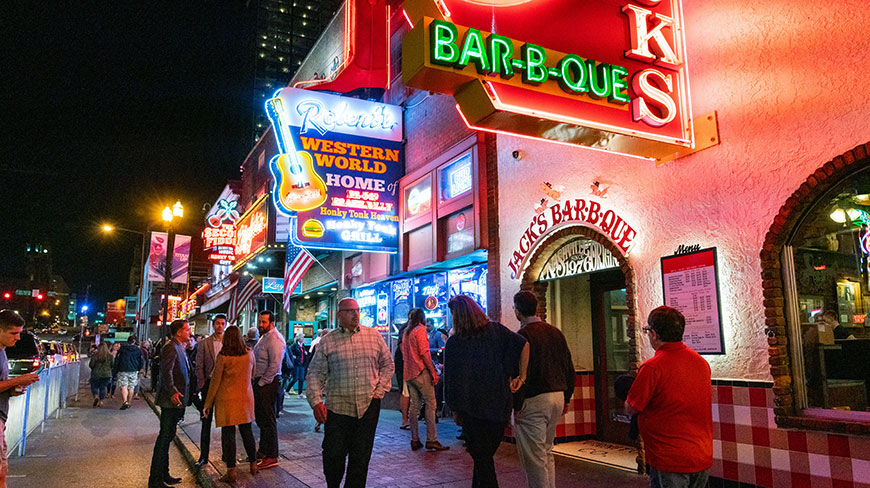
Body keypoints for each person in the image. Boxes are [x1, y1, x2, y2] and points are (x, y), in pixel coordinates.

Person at [306, 298, 394, 488]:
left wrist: (379, 391)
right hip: (338, 409)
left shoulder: (373, 336)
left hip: (367, 407)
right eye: (350, 310)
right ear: (339, 315)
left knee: (360, 460)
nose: (355, 314)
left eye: (357, 310)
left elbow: (388, 364)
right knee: (333, 456)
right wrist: (316, 402)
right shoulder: (329, 341)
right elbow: (314, 373)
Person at [444, 295, 528, 488]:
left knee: (482, 459)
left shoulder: (455, 342)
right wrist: (521, 377)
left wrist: (454, 410)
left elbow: (452, 380)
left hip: (472, 410)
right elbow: (523, 344)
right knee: (483, 456)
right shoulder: (497, 331)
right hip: (499, 407)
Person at [625, 306, 713, 488]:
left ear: (654, 334)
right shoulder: (701, 363)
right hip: (701, 453)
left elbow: (632, 407)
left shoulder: (652, 367)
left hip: (669, 457)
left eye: (647, 330)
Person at [511, 290, 575, 488]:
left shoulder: (522, 336)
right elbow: (568, 367)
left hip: (533, 401)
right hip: (557, 396)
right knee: (547, 451)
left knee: (534, 459)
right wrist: (566, 397)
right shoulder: (555, 332)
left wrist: (517, 404)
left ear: (518, 312)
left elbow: (518, 374)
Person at [202, 326, 258, 483]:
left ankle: (231, 471)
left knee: (228, 434)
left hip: (227, 399)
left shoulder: (223, 356)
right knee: (247, 431)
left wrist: (207, 403)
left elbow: (215, 381)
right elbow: (253, 373)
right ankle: (253, 464)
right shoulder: (249, 353)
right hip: (245, 397)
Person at [148, 319, 192, 488]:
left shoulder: (180, 347)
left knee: (168, 436)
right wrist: (173, 390)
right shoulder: (170, 347)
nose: (189, 332)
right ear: (179, 332)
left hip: (178, 400)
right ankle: (155, 480)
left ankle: (164, 474)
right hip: (170, 401)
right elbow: (166, 372)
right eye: (187, 330)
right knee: (164, 438)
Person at [0, 311, 40, 488]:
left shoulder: (2, 352)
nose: (17, 338)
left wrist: (11, 390)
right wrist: (18, 380)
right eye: (13, 333)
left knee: (2, 471)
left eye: (19, 333)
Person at [402, 308, 449, 451]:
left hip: (409, 374)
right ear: (422, 318)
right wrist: (433, 371)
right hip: (421, 372)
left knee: (415, 406)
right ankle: (432, 439)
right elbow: (424, 353)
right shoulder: (420, 330)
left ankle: (415, 439)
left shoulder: (407, 332)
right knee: (431, 403)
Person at [251, 310, 285, 469]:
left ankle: (272, 455)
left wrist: (261, 383)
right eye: (260, 321)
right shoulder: (264, 337)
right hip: (261, 383)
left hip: (268, 384)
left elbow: (274, 365)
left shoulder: (275, 339)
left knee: (268, 419)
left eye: (264, 322)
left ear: (272, 323)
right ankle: (264, 450)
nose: (260, 324)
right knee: (262, 419)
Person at [194, 314, 226, 466]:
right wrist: (202, 384)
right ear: (213, 325)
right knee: (206, 420)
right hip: (208, 384)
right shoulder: (204, 343)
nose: (220, 326)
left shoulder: (229, 342)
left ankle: (227, 455)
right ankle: (203, 456)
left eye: (222, 323)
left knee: (226, 422)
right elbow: (199, 365)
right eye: (217, 323)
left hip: (224, 386)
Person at [113, 336, 144, 410]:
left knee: (124, 386)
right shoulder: (138, 350)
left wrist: (115, 369)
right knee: (131, 387)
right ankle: (129, 402)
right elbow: (141, 361)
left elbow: (117, 360)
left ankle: (125, 401)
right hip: (134, 370)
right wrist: (139, 369)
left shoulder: (122, 349)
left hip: (123, 369)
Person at [394, 322, 410, 430]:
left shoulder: (405, 330)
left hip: (404, 365)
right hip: (405, 366)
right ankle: (406, 419)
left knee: (405, 392)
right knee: (406, 392)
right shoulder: (407, 331)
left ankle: (406, 419)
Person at [89, 342, 114, 407]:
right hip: (106, 374)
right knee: (103, 388)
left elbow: (91, 365)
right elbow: (112, 365)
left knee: (94, 386)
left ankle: (96, 396)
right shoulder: (110, 356)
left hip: (95, 374)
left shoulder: (95, 355)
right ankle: (101, 401)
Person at [287, 333, 307, 398]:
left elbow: (302, 353)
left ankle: (300, 393)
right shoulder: (295, 345)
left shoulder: (302, 345)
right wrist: (293, 356)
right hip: (296, 364)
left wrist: (305, 353)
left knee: (301, 379)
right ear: (299, 338)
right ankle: (286, 391)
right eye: (302, 338)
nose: (303, 339)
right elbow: (289, 350)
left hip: (302, 364)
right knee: (295, 378)